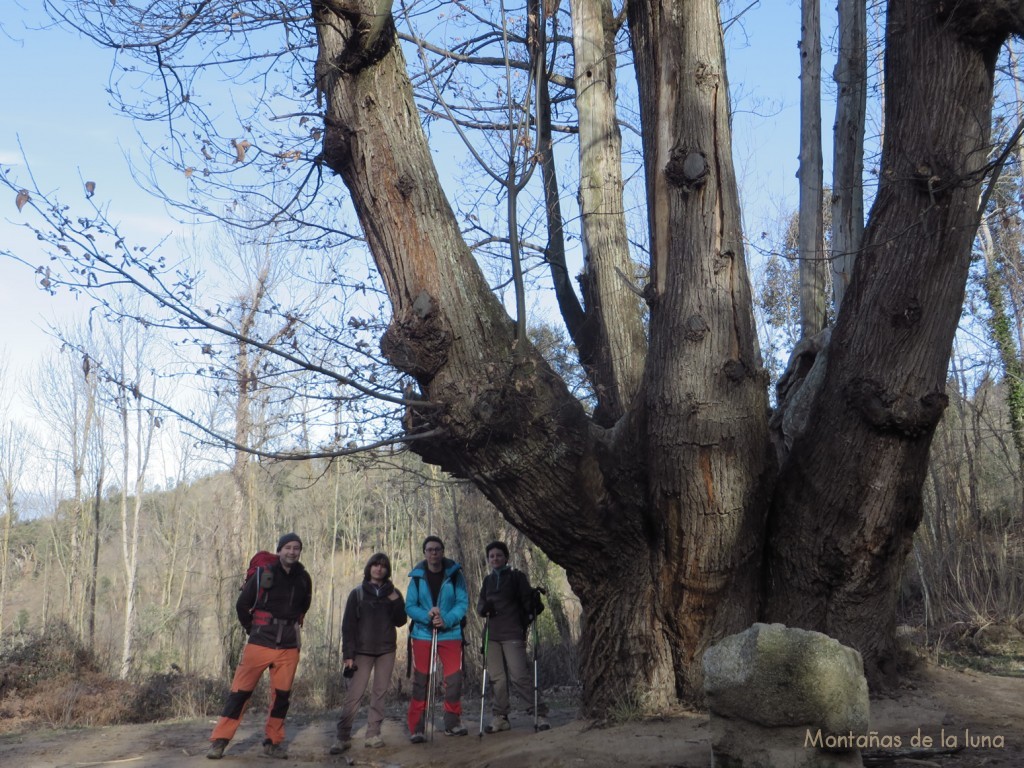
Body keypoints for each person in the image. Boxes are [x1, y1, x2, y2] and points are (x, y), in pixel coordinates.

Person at [207, 533, 313, 760]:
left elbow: (304, 607)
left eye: (296, 548)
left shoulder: (304, 578)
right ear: (280, 550)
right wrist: (251, 629)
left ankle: (273, 742)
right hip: (259, 643)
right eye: (288, 548)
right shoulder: (264, 574)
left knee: (282, 697)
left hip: (289, 647)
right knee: (239, 694)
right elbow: (242, 605)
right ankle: (219, 741)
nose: (292, 552)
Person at [330, 552, 407, 754]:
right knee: (354, 694)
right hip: (361, 651)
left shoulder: (394, 593)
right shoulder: (358, 593)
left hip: (386, 650)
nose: (378, 568)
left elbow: (401, 621)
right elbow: (348, 626)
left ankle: (373, 734)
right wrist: (348, 655)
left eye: (382, 566)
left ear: (387, 570)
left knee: (379, 693)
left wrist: (396, 601)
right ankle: (342, 736)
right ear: (369, 568)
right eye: (375, 565)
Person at [477, 540, 549, 733]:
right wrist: (484, 609)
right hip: (491, 635)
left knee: (519, 676)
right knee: (497, 678)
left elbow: (527, 600)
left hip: (512, 632)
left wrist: (534, 605)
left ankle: (538, 713)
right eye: (492, 556)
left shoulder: (516, 577)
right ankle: (500, 717)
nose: (495, 559)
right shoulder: (487, 581)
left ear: (506, 557)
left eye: (499, 555)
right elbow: (480, 606)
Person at [405, 535, 470, 741]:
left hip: (450, 633)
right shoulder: (416, 577)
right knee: (421, 681)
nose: (433, 553)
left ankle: (452, 723)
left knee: (454, 680)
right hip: (423, 634)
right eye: (430, 550)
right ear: (424, 553)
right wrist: (427, 615)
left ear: (442, 552)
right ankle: (417, 728)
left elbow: (462, 603)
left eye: (437, 549)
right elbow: (410, 606)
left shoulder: (454, 574)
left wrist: (447, 620)